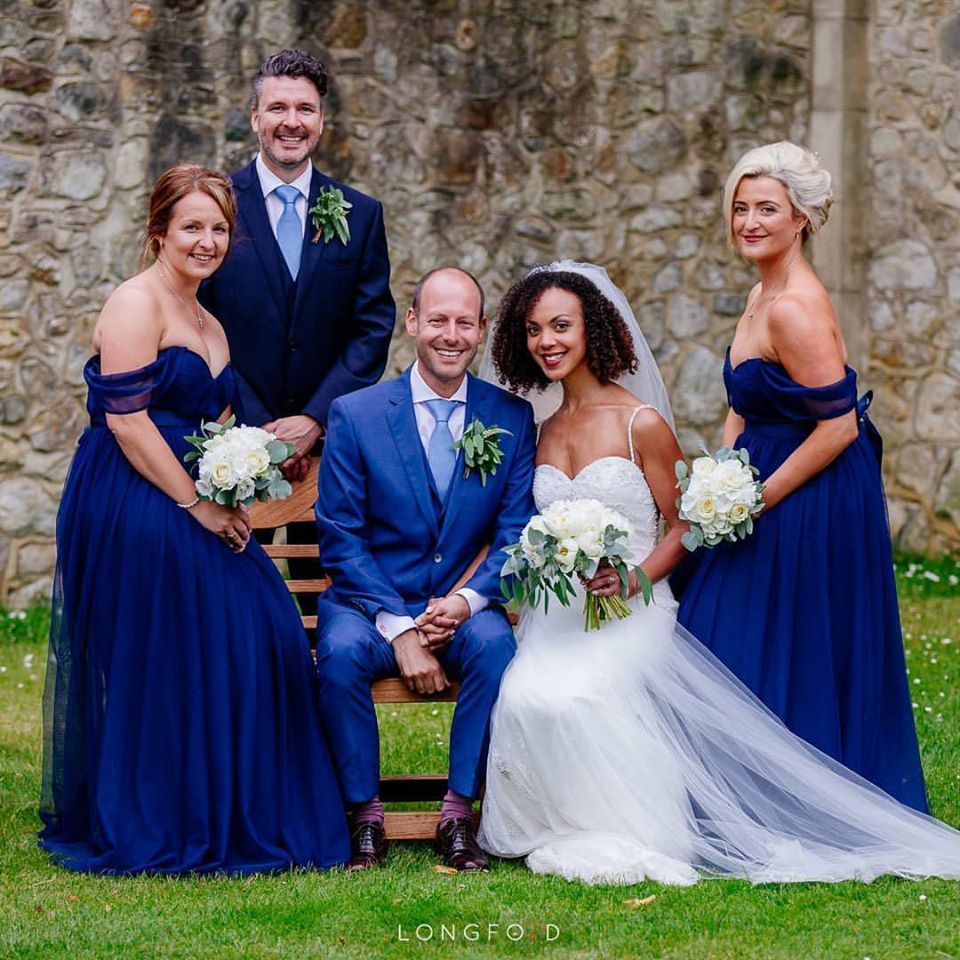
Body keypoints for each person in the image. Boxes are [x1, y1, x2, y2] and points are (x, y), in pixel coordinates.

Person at [476, 260, 960, 886]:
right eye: (535, 330)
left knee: (580, 696)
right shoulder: (536, 431)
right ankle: (553, 823)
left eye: (562, 326)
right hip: (559, 617)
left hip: (633, 608)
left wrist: (635, 578)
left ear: (591, 330)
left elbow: (683, 526)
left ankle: (627, 827)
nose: (548, 342)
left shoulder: (639, 422)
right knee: (525, 695)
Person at [39, 165, 350, 874]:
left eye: (217, 229)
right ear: (159, 233)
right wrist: (197, 506)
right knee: (183, 628)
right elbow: (127, 422)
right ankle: (164, 811)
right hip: (130, 496)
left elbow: (217, 423)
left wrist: (245, 466)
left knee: (267, 623)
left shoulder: (211, 322)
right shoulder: (134, 304)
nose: (207, 241)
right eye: (192, 227)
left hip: (198, 495)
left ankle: (240, 805)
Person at [674, 142, 927, 812]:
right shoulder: (761, 292)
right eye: (740, 208)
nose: (749, 221)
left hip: (809, 490)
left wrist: (755, 497)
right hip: (758, 479)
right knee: (715, 630)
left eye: (767, 209)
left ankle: (788, 797)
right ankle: (735, 790)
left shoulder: (795, 307)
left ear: (801, 220)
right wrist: (721, 475)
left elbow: (839, 427)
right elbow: (742, 402)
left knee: (770, 633)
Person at [314, 267, 536, 872]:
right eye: (438, 319)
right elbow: (340, 536)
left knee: (497, 649)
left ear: (483, 331)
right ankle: (365, 818)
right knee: (336, 657)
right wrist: (402, 629)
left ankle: (458, 814)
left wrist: (467, 602)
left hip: (461, 608)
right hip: (370, 607)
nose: (451, 334)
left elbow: (516, 534)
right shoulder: (355, 414)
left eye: (465, 322)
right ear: (413, 322)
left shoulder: (511, 418)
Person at [199, 48, 396, 607]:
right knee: (234, 595)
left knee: (327, 600)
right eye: (278, 107)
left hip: (328, 447)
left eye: (305, 109)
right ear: (256, 117)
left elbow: (373, 325)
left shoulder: (359, 214)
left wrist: (313, 419)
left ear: (321, 120)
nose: (292, 121)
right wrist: (259, 429)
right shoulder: (214, 205)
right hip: (233, 440)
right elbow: (196, 317)